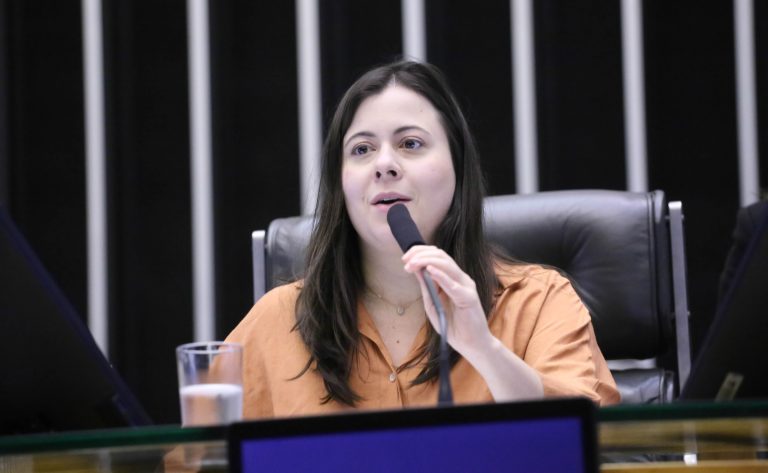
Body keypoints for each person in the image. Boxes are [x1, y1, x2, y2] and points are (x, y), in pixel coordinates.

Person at [226, 60, 619, 418]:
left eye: (410, 144)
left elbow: (582, 446)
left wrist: (484, 349)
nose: (384, 165)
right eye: (362, 149)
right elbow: (199, 455)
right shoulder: (277, 320)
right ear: (340, 183)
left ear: (457, 167)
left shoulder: (540, 301)